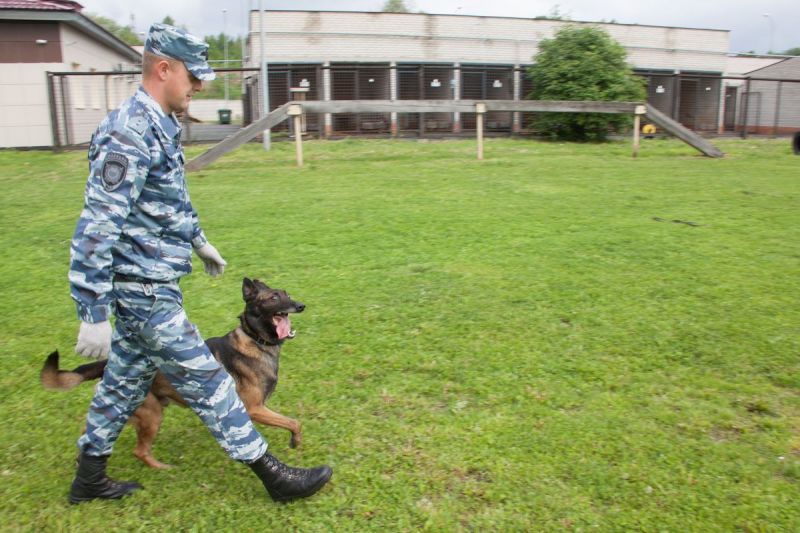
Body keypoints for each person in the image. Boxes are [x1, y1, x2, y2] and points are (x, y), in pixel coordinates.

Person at [66, 23, 332, 504]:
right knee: (211, 381)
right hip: (141, 291)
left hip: (154, 283)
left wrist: (199, 241)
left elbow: (168, 201)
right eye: (193, 77)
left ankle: (88, 479)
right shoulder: (128, 131)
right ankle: (276, 478)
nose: (200, 87)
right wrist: (92, 310)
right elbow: (96, 225)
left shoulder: (160, 125)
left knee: (122, 385)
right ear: (163, 68)